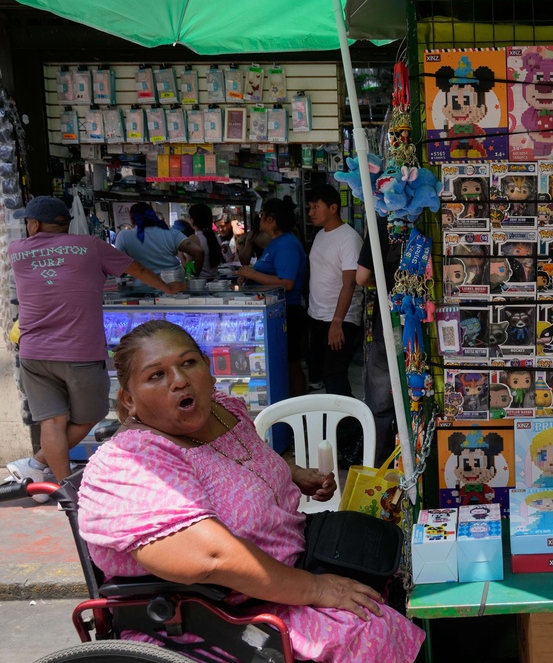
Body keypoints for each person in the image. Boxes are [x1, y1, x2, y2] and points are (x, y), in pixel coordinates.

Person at [76, 320, 424, 662]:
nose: (179, 380)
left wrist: (292, 473)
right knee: (368, 629)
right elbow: (211, 557)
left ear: (209, 370)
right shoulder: (131, 463)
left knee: (392, 569)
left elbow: (240, 458)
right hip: (217, 615)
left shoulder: (222, 409)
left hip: (294, 558)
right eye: (156, 375)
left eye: (188, 363)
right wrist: (316, 589)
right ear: (128, 401)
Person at [4, 197, 184, 493]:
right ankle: (42, 467)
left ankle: (57, 482)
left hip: (33, 352)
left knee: (52, 423)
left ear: (34, 224)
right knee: (90, 416)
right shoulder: (90, 246)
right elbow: (135, 268)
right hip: (79, 351)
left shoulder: (17, 251)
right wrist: (168, 287)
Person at [236, 197, 308, 397]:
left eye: (262, 215)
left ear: (271, 219)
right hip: (276, 311)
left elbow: (287, 282)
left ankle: (299, 404)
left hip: (288, 312)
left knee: (291, 361)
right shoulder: (276, 243)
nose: (260, 219)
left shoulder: (287, 245)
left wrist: (252, 274)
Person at [305, 184, 364, 397]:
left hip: (341, 319)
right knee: (323, 373)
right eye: (310, 207)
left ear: (332, 208)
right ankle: (338, 424)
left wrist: (337, 322)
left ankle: (350, 428)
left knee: (334, 374)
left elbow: (350, 283)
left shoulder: (348, 239)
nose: (311, 212)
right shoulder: (321, 235)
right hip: (317, 316)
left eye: (315, 207)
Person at [356, 215, 402, 467]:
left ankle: (381, 472)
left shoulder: (382, 222)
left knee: (382, 403)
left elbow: (361, 277)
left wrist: (387, 288)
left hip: (390, 319)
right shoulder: (431, 215)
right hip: (431, 320)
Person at [115, 202, 205, 286]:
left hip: (143, 289)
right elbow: (198, 252)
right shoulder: (171, 233)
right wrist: (193, 276)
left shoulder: (124, 236)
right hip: (173, 287)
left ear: (132, 219)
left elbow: (119, 267)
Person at [184, 203, 223, 280]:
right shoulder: (216, 238)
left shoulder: (194, 239)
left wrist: (180, 255)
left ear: (192, 220)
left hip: (199, 284)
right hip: (215, 282)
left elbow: (190, 270)